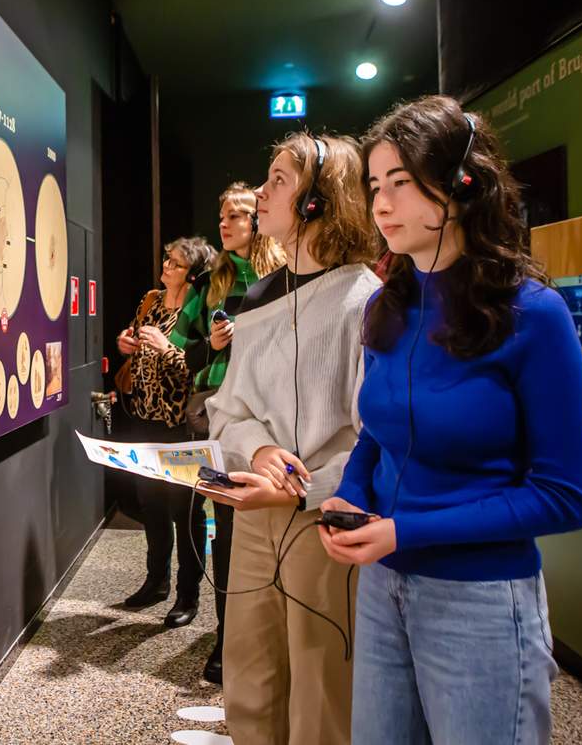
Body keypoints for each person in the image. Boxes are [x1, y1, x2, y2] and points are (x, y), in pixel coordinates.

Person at [318, 96, 582, 744]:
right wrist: (350, 493)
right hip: (384, 587)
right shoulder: (385, 309)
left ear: (461, 186)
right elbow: (375, 437)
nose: (380, 204)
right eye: (373, 186)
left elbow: (566, 497)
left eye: (401, 184)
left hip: (481, 601)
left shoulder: (535, 314)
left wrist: (403, 530)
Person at [202, 132, 379, 743]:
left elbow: (378, 437)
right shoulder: (255, 298)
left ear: (317, 201)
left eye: (278, 179)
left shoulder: (366, 300)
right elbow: (228, 408)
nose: (260, 191)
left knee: (321, 687)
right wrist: (258, 450)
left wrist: (303, 485)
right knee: (249, 679)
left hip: (325, 517)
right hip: (254, 513)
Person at [163, 182, 284, 683]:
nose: (226, 223)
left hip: (270, 414)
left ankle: (260, 636)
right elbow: (177, 342)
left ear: (259, 219)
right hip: (215, 411)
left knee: (265, 530)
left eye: (237, 214)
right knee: (227, 529)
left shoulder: (281, 272)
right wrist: (212, 345)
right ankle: (225, 637)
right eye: (223, 214)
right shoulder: (215, 276)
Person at [114, 236, 216, 620]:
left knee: (185, 509)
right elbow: (133, 335)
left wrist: (166, 348)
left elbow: (203, 365)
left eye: (175, 263)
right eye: (167, 260)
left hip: (181, 423)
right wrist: (126, 343)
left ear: (192, 275)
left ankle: (187, 596)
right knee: (150, 503)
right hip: (144, 417)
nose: (167, 267)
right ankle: (156, 580)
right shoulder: (151, 300)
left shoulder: (201, 306)